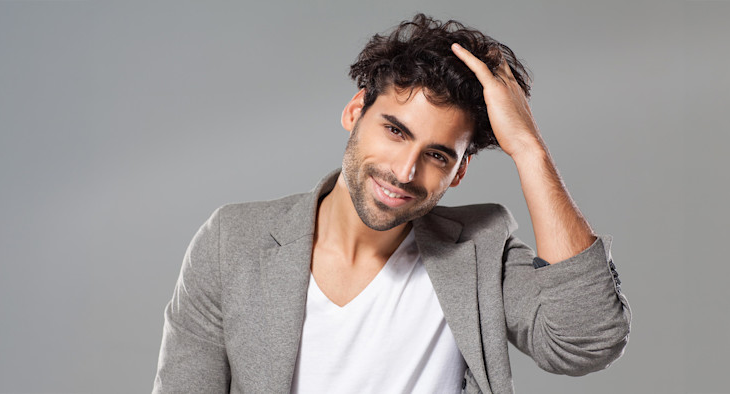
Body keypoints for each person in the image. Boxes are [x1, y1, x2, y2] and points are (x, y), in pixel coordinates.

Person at [152, 13, 630, 394]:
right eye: (395, 131)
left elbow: (587, 339)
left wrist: (529, 149)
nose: (404, 172)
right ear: (354, 111)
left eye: (437, 156)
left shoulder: (479, 252)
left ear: (459, 172)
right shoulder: (233, 242)